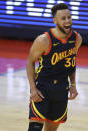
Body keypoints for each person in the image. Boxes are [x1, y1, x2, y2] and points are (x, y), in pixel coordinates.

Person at [26, 3, 82, 131]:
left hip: (62, 89)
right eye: (63, 18)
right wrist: (33, 89)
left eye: (69, 17)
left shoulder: (77, 39)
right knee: (34, 128)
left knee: (51, 129)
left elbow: (71, 63)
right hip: (43, 87)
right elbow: (30, 62)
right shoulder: (43, 40)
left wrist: (73, 85)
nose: (67, 21)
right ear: (55, 20)